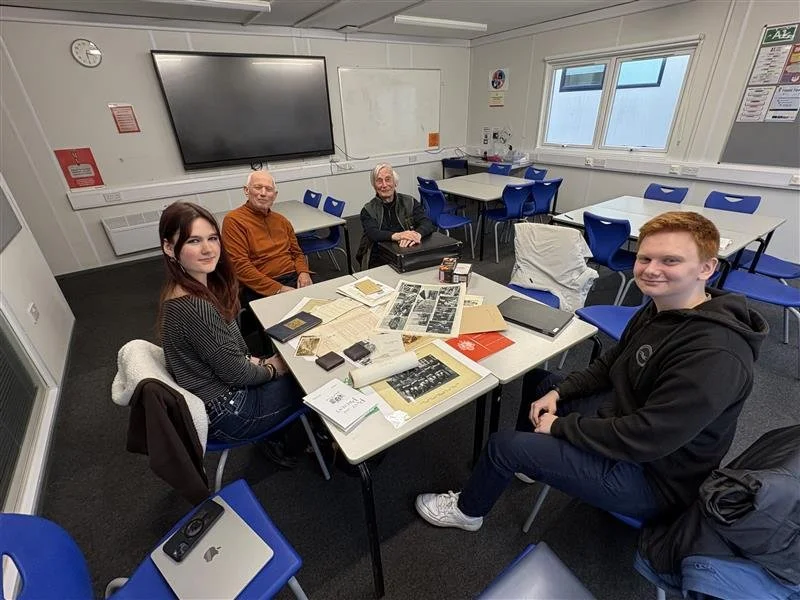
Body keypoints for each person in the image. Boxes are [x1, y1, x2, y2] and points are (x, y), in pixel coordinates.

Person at [416, 211, 768, 532]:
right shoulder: (665, 306)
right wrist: (559, 394)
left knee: (502, 446)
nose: (650, 269)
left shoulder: (715, 355)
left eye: (670, 260)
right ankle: (529, 461)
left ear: (706, 269)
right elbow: (612, 364)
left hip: (654, 478)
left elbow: (644, 439)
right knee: (543, 382)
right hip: (629, 421)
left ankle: (467, 511)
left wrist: (562, 426)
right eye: (645, 258)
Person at [158, 201, 303, 459]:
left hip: (220, 394)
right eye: (193, 241)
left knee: (293, 364)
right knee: (310, 378)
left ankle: (295, 435)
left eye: (212, 238)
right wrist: (272, 369)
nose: (207, 249)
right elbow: (237, 374)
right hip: (230, 412)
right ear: (169, 247)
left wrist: (260, 361)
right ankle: (298, 445)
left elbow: (229, 355)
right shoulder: (194, 307)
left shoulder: (185, 289)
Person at [222, 170, 312, 306]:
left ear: (274, 195)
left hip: (294, 277)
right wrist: (278, 289)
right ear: (246, 191)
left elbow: (297, 253)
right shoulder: (233, 221)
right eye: (257, 187)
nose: (263, 193)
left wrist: (304, 272)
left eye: (269, 189)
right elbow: (240, 266)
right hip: (258, 285)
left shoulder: (282, 221)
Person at [357, 163, 436, 269]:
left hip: (408, 253)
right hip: (378, 258)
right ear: (374, 186)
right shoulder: (368, 209)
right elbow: (373, 233)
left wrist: (417, 235)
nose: (384, 185)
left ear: (395, 182)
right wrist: (400, 235)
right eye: (379, 181)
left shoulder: (410, 202)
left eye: (388, 179)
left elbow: (427, 223)